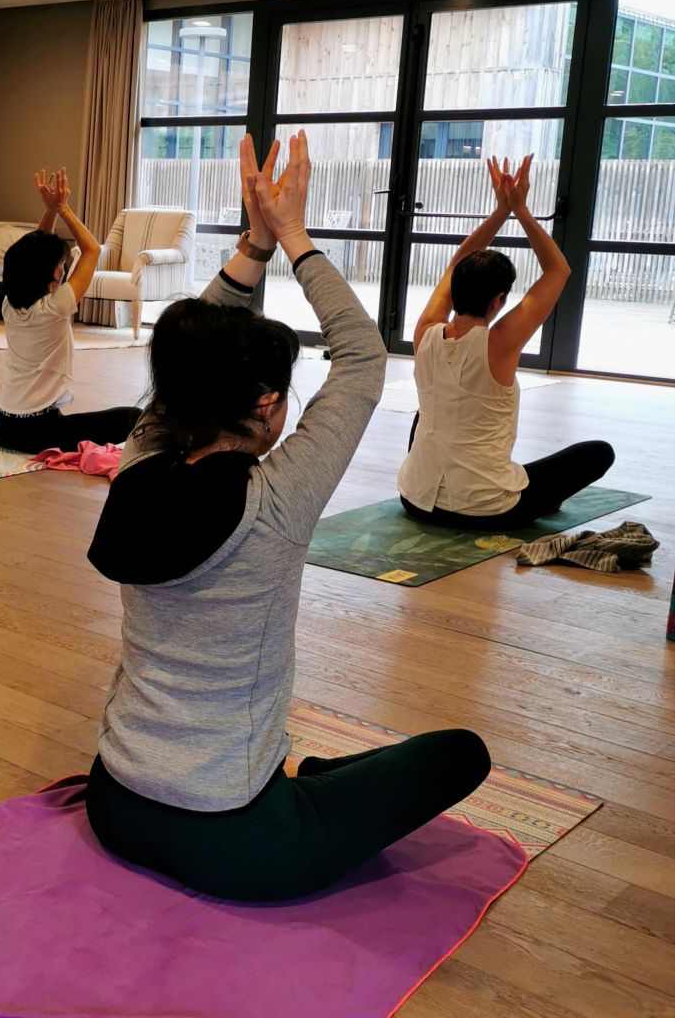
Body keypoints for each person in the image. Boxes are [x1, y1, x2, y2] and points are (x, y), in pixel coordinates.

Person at [83, 131, 490, 902]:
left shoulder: (137, 464)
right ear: (268, 405)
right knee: (457, 753)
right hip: (237, 841)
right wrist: (293, 235)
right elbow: (364, 358)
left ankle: (315, 778)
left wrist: (252, 246)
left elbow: (185, 360)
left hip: (116, 804)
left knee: (347, 775)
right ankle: (315, 783)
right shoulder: (275, 499)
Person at [398, 155, 614, 528]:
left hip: (414, 500)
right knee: (598, 453)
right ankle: (518, 497)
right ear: (499, 300)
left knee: (430, 413)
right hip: (484, 511)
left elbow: (456, 265)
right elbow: (558, 270)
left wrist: (500, 212)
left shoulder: (426, 332)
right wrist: (521, 211)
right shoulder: (499, 342)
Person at [0, 168, 141, 454]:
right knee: (133, 418)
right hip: (36, 432)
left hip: (3, 428)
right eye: (60, 264)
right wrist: (62, 208)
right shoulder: (56, 306)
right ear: (50, 277)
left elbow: (33, 253)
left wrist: (49, 211)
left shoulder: (9, 305)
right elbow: (92, 250)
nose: (63, 268)